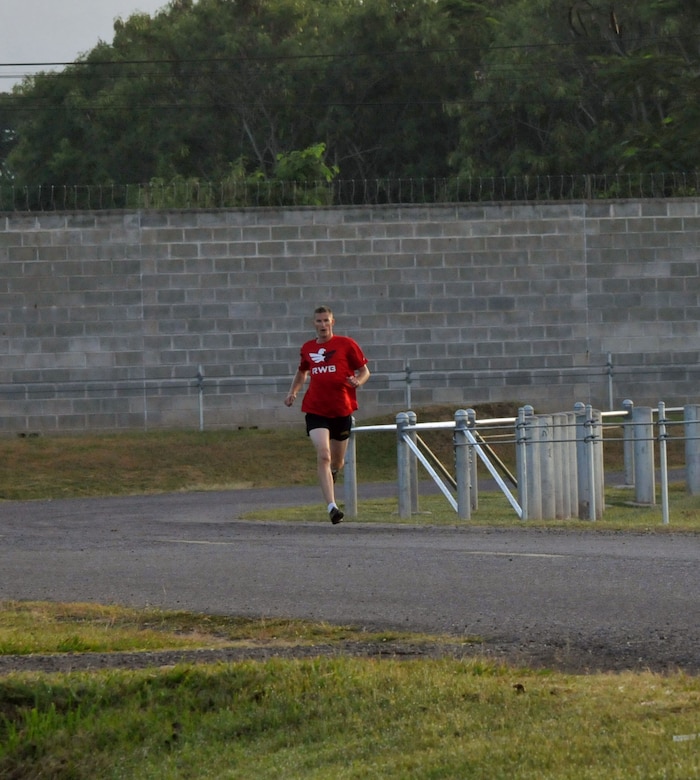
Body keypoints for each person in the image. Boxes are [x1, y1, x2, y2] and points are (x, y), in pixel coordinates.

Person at [285, 305, 370, 524]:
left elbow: (364, 371)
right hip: (316, 409)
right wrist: (293, 392)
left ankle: (332, 474)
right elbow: (302, 371)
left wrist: (357, 382)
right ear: (314, 324)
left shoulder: (346, 345)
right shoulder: (308, 348)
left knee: (337, 462)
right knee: (323, 454)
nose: (322, 325)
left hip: (341, 410)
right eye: (318, 321)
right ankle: (332, 507)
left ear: (333, 322)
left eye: (326, 321)